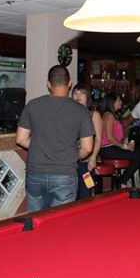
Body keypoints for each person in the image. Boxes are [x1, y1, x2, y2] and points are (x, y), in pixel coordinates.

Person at [16, 66, 94, 212]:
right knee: (60, 221)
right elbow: (88, 148)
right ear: (69, 83)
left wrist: (42, 146)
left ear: (48, 84)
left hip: (35, 172)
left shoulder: (33, 105)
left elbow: (20, 139)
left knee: (36, 219)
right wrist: (71, 155)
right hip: (64, 174)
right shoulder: (81, 110)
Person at [100, 93, 140, 187]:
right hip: (108, 149)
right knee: (139, 156)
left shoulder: (109, 115)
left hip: (109, 149)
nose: (121, 102)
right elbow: (109, 137)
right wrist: (123, 146)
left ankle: (122, 180)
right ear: (112, 102)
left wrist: (126, 146)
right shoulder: (109, 116)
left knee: (137, 154)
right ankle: (122, 181)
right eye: (119, 100)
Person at [71, 84, 103, 199]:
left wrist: (93, 158)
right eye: (75, 93)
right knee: (70, 194)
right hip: (70, 160)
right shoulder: (69, 113)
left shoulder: (94, 114)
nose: (78, 96)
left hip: (87, 160)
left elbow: (98, 138)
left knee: (86, 192)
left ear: (88, 96)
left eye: (82, 93)